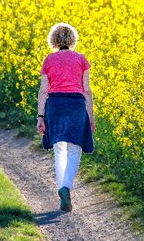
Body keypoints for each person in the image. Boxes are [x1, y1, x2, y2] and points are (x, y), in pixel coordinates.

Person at [36, 23, 95, 212]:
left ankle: (63, 189)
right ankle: (66, 187)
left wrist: (40, 116)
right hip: (76, 106)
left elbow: (44, 91)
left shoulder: (49, 60)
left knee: (59, 149)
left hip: (55, 106)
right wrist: (91, 118)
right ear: (73, 40)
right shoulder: (81, 59)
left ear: (53, 41)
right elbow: (87, 91)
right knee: (74, 150)